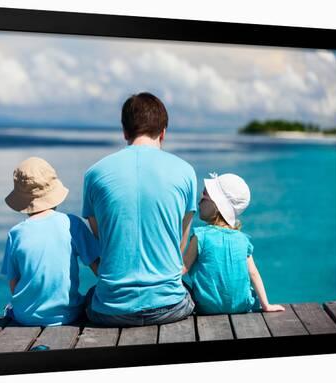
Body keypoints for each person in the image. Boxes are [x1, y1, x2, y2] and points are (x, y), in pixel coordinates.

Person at [83, 92, 197, 326]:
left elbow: (100, 239)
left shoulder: (94, 173)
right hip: (170, 306)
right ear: (163, 132)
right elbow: (180, 243)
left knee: (88, 296)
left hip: (111, 309)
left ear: (125, 131)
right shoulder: (186, 172)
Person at [0, 157, 100, 326]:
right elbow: (99, 269)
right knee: (92, 294)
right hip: (68, 315)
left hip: (25, 317)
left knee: (9, 307)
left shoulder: (15, 233)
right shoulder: (72, 224)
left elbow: (13, 284)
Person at [183, 172, 285, 314]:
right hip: (241, 306)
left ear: (217, 205)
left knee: (182, 285)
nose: (199, 201)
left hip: (207, 307)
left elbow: (183, 269)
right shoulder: (243, 239)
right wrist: (266, 305)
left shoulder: (200, 236)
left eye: (204, 196)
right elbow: (253, 273)